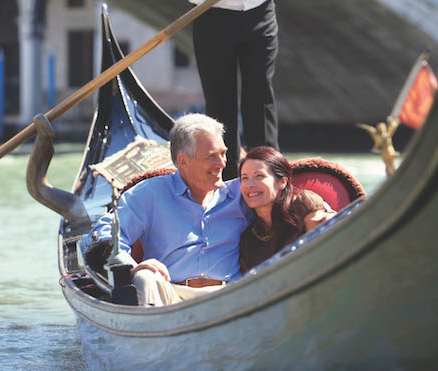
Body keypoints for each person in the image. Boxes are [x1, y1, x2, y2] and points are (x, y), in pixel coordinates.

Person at [84, 114, 331, 306]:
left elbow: (281, 194)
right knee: (145, 278)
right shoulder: (149, 194)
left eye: (224, 154)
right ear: (183, 161)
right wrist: (132, 266)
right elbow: (104, 235)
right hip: (170, 294)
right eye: (212, 156)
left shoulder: (241, 193)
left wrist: (314, 209)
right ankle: (150, 357)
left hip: (229, 295)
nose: (222, 163)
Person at [189, 0, 280, 180]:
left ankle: (269, 174)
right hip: (212, 14)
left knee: (260, 96)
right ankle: (225, 178)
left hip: (260, 9)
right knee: (220, 102)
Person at [238, 146, 332, 273]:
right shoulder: (248, 238)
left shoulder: (303, 204)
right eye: (245, 178)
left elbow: (321, 253)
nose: (250, 184)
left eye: (259, 176)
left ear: (282, 182)